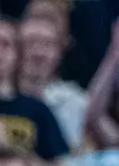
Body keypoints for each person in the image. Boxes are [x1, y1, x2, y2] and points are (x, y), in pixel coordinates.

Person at [17, 12, 87, 152]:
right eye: (31, 43)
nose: (38, 53)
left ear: (59, 53)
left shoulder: (76, 101)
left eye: (48, 45)